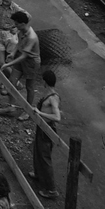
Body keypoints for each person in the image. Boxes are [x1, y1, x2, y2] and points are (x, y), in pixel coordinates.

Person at [29, 70, 62, 200]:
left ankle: (51, 189)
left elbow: (57, 117)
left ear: (45, 82)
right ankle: (38, 174)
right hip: (42, 127)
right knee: (37, 151)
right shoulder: (49, 94)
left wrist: (40, 113)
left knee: (45, 157)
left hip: (47, 130)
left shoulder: (53, 98)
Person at [2, 9, 42, 115]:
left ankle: (28, 111)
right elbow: (19, 43)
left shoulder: (31, 37)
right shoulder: (21, 31)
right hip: (20, 57)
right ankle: (11, 106)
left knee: (30, 87)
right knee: (12, 81)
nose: (15, 26)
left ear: (23, 24)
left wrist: (8, 64)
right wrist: (13, 53)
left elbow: (25, 56)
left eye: (16, 24)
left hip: (31, 62)